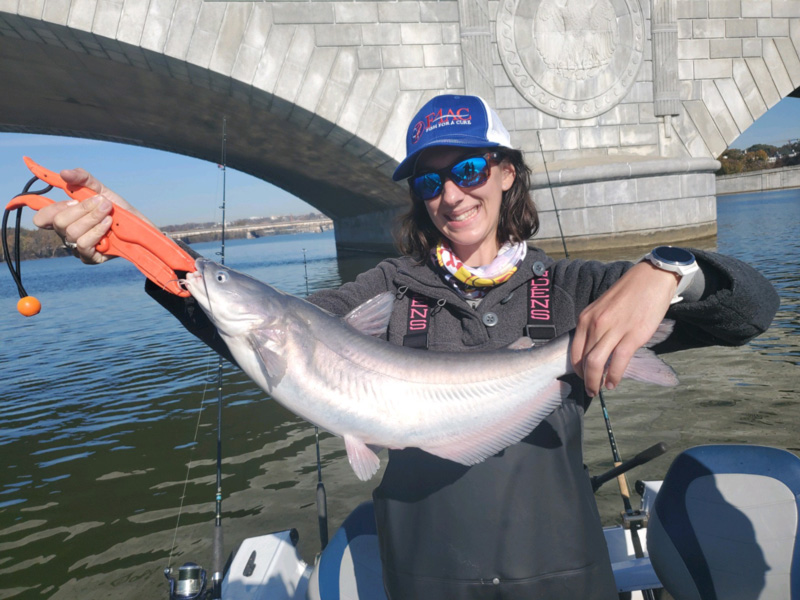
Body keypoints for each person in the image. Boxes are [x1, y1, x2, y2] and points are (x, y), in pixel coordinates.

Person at [34, 94, 779, 599]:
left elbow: (746, 314)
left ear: (506, 171)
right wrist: (139, 243)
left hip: (567, 578)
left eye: (468, 169)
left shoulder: (582, 290)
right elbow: (259, 330)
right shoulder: (381, 291)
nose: (452, 195)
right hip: (423, 580)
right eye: (430, 181)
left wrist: (673, 269)